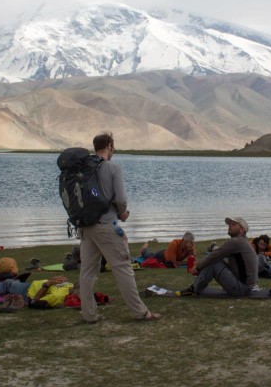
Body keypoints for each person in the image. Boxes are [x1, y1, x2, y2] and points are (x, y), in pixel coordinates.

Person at [76, 132, 161, 323]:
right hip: (107, 225)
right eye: (113, 147)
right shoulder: (112, 167)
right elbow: (121, 198)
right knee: (123, 268)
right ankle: (140, 312)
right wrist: (122, 213)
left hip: (86, 227)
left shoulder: (83, 168)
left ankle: (89, 315)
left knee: (87, 272)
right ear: (109, 146)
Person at [177, 217, 259, 297]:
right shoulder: (242, 242)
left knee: (213, 262)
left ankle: (194, 290)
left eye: (233, 224)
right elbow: (220, 252)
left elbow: (214, 256)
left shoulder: (236, 242)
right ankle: (195, 288)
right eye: (229, 224)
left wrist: (198, 268)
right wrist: (200, 263)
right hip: (247, 287)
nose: (230, 226)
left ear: (242, 230)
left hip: (242, 289)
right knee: (213, 260)